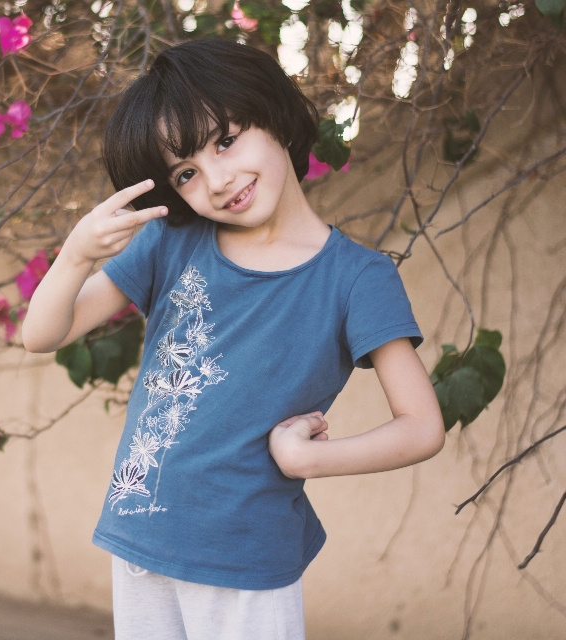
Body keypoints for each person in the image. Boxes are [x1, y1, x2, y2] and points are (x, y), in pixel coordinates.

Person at [22, 39, 445, 639]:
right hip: (140, 534)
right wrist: (75, 254)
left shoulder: (356, 278)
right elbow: (42, 334)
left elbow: (422, 426)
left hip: (246, 555)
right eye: (186, 173)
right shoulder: (171, 244)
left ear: (272, 115)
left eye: (226, 140)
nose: (217, 180)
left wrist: (311, 459)